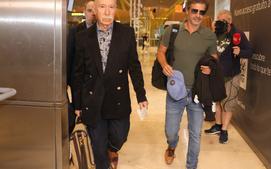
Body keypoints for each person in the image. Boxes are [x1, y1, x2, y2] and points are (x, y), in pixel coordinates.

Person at [71, 0, 148, 168]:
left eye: (111, 7)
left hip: (117, 98)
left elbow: (134, 67)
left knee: (120, 136)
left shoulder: (126, 34)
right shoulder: (83, 37)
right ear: (95, 11)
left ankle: (112, 149)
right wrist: (77, 104)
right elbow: (78, 73)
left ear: (115, 10)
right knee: (98, 148)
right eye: (102, 7)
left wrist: (141, 94)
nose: (107, 12)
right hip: (93, 99)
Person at [157, 0, 217, 168]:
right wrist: (164, 65)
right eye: (194, 11)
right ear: (187, 11)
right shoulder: (173, 31)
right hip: (176, 89)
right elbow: (160, 52)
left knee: (195, 134)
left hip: (198, 92)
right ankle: (172, 145)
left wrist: (211, 69)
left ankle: (191, 165)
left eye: (201, 12)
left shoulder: (209, 36)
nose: (198, 15)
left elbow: (214, 59)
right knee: (170, 131)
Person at [204, 10, 252, 144]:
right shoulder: (216, 33)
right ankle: (218, 125)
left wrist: (240, 51)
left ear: (229, 21)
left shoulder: (238, 34)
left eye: (222, 20)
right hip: (217, 75)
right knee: (218, 102)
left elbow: (249, 52)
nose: (219, 22)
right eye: (217, 19)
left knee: (228, 104)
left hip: (231, 75)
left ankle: (224, 130)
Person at [67, 0, 96, 135]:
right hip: (79, 81)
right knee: (80, 111)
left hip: (96, 81)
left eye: (95, 10)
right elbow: (69, 56)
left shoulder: (103, 32)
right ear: (84, 12)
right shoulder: (75, 31)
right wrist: (66, 82)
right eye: (90, 10)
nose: (93, 14)